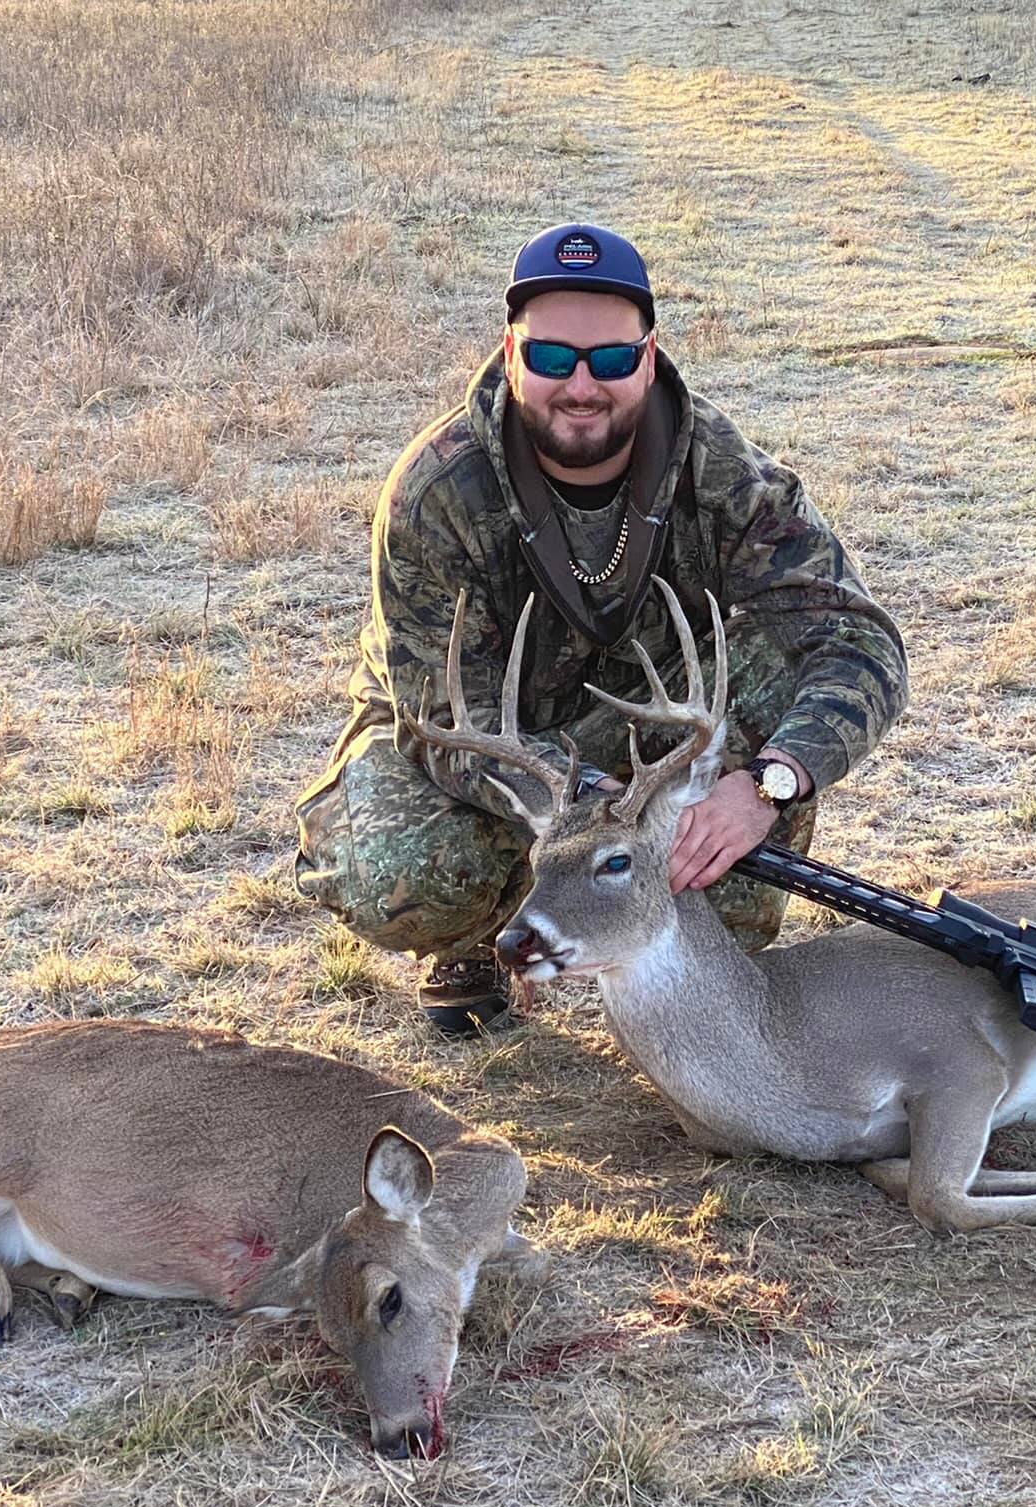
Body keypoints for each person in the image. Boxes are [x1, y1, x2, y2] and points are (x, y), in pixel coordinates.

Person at [294, 221, 909, 1035]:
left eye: (611, 360)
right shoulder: (436, 494)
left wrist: (768, 784)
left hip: (650, 722)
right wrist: (594, 804)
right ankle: (482, 938)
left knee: (742, 876)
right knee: (402, 876)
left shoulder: (724, 474)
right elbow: (441, 717)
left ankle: (656, 950)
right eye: (552, 357)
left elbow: (861, 642)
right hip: (492, 749)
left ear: (647, 360)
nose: (581, 384)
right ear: (512, 354)